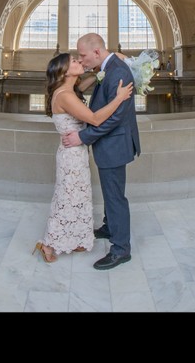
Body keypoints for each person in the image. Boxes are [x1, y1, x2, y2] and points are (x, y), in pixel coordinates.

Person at [34, 52, 133, 264]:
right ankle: (48, 244)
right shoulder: (65, 96)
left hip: (76, 153)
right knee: (66, 199)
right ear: (64, 70)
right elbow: (95, 119)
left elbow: (95, 77)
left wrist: (111, 58)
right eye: (74, 61)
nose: (80, 61)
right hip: (71, 157)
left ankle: (73, 238)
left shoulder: (71, 89)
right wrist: (119, 98)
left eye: (80, 58)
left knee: (77, 197)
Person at [62, 33, 141, 270]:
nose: (81, 60)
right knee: (110, 191)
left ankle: (121, 249)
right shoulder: (108, 67)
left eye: (83, 55)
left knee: (115, 196)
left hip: (115, 144)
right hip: (109, 144)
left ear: (97, 52)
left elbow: (115, 118)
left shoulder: (118, 71)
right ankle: (109, 227)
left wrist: (82, 137)